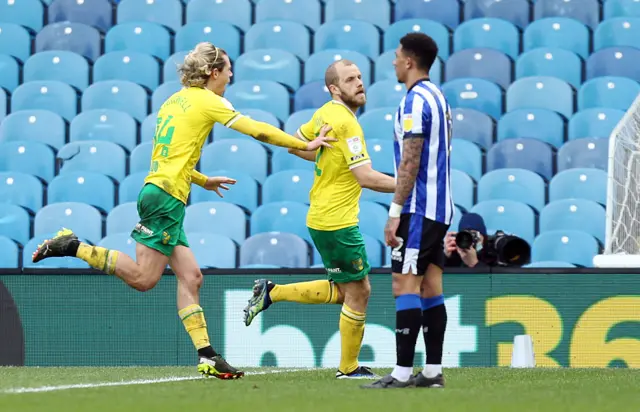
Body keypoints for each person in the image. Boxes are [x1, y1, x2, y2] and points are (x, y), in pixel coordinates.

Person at [30, 42, 334, 380]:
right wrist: (302, 144)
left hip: (161, 192)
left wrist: (202, 180)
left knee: (191, 277)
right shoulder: (209, 101)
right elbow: (255, 129)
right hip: (165, 198)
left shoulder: (172, 102)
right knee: (145, 279)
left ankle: (207, 356)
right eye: (228, 69)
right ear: (212, 72)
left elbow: (170, 156)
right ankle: (72, 245)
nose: (231, 75)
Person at [242, 59, 396, 379]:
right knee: (360, 292)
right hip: (337, 222)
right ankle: (348, 368)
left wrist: (318, 149)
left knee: (346, 291)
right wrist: (409, 186)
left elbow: (298, 146)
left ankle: (271, 292)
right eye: (350, 79)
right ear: (334, 88)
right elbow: (365, 177)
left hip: (324, 217)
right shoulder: (346, 123)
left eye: (359, 77)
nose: (359, 83)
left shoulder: (326, 113)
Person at [362, 33, 453, 390]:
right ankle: (432, 372)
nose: (394, 61)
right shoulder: (439, 96)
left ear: (410, 61)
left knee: (404, 284)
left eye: (398, 56)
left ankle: (401, 372)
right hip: (440, 206)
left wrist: (394, 211)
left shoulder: (415, 102)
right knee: (431, 286)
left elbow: (411, 161)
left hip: (418, 209)